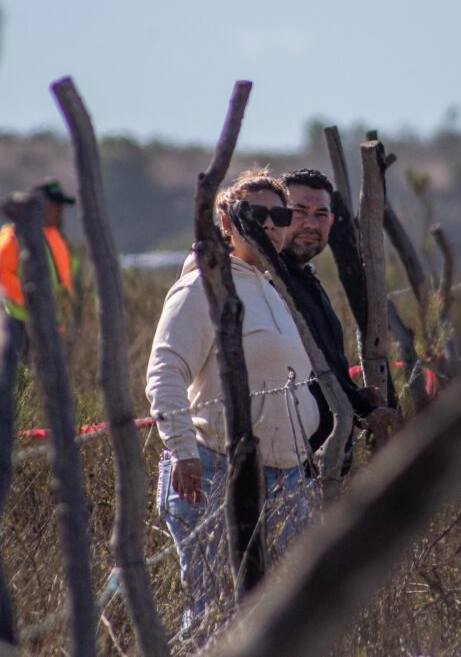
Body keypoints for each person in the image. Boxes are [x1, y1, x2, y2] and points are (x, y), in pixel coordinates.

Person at [146, 169, 320, 622]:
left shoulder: (274, 288)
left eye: (279, 215)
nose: (269, 224)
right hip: (213, 471)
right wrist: (182, 451)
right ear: (226, 222)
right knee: (216, 615)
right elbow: (165, 371)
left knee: (285, 616)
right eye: (255, 214)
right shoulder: (204, 287)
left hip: (288, 479)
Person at [279, 168, 399, 467]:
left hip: (316, 464)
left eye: (321, 214)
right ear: (275, 216)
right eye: (299, 211)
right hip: (281, 465)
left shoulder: (307, 280)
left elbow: (323, 366)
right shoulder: (266, 284)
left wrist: (359, 404)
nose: (311, 223)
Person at [0, 179, 77, 369]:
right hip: (20, 326)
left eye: (61, 205)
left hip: (51, 328)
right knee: (21, 384)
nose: (60, 210)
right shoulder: (13, 237)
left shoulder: (55, 236)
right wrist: (34, 301)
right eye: (55, 205)